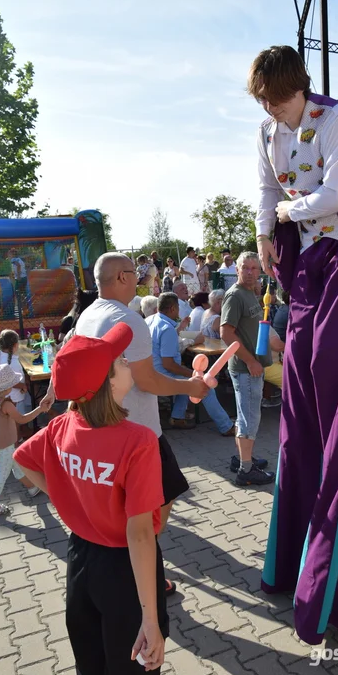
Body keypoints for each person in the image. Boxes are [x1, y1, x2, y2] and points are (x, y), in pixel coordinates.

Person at [250, 45, 338, 643]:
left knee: (337, 360)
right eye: (265, 105)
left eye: (279, 102)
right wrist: (263, 233)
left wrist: (285, 211)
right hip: (307, 255)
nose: (274, 114)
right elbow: (262, 191)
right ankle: (293, 560)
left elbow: (333, 196)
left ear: (300, 89)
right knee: (301, 378)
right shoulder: (267, 132)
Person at [14, 325, 168, 675]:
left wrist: (68, 496)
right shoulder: (139, 441)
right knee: (132, 666)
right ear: (108, 383)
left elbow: (20, 459)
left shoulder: (61, 426)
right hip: (124, 570)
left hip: (80, 561)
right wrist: (150, 618)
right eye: (122, 361)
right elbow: (140, 535)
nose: (129, 362)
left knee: (91, 665)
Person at [74, 253, 208, 596]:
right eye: (139, 273)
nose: (146, 277)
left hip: (106, 428)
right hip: (140, 434)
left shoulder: (87, 315)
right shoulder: (129, 320)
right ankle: (136, 573)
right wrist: (189, 387)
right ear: (122, 277)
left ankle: (143, 571)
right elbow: (147, 381)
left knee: (140, 509)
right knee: (150, 515)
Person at [220, 252, 273, 485]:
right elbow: (226, 333)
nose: (250, 272)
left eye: (254, 268)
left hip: (250, 367)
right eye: (246, 268)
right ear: (237, 270)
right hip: (245, 368)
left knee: (245, 417)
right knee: (249, 419)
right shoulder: (235, 296)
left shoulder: (249, 293)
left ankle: (243, 458)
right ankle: (246, 470)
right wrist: (251, 360)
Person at [148, 293, 234, 435]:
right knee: (203, 385)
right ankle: (226, 427)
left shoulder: (152, 320)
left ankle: (177, 417)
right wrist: (194, 374)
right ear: (173, 309)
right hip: (162, 375)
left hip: (153, 372)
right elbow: (168, 364)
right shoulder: (166, 328)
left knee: (188, 380)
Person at [0, 365, 43, 517]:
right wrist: (40, 409)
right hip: (5, 446)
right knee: (1, 476)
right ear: (6, 387)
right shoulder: (6, 404)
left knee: (17, 466)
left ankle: (32, 488)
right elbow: (22, 419)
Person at [0, 330, 27, 410]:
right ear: (15, 345)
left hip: (3, 395)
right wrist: (23, 386)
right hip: (15, 397)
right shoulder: (12, 362)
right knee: (19, 419)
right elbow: (9, 382)